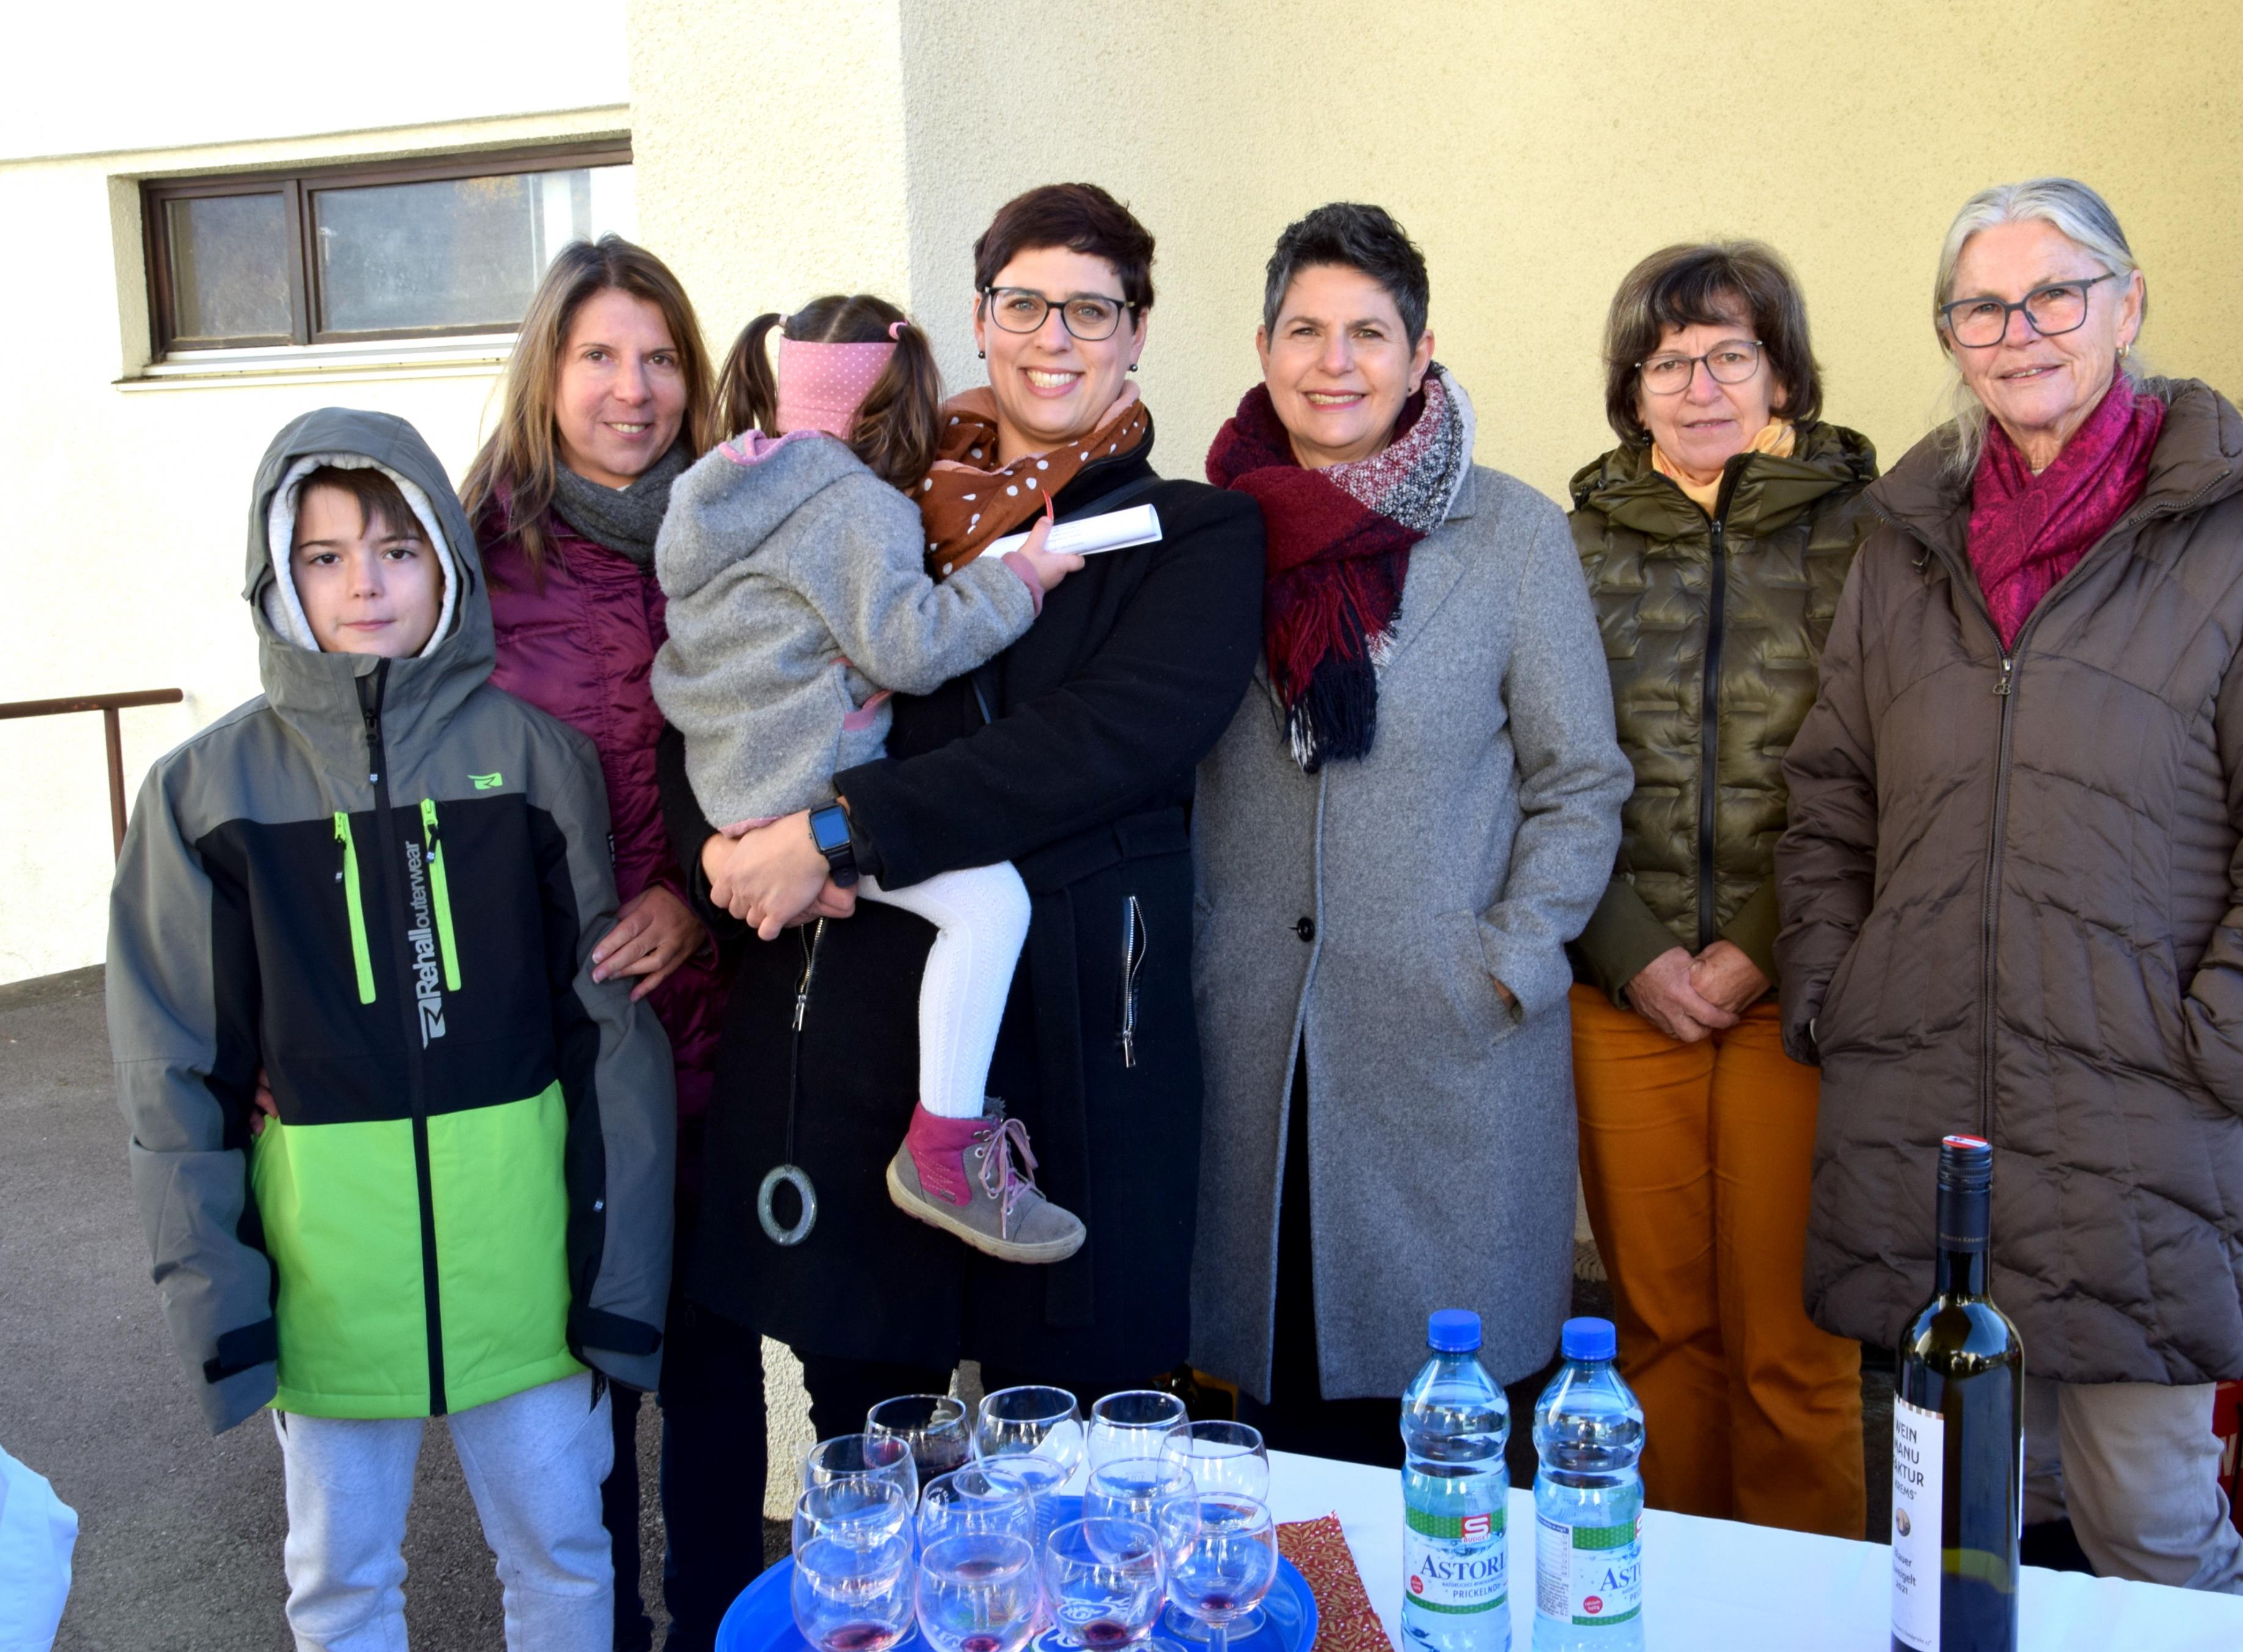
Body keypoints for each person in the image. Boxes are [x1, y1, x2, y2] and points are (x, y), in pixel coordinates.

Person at [656, 183, 1264, 1646]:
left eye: (1092, 308)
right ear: (979, 318)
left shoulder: (1191, 533)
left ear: (1136, 333)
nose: (1056, 336)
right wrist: (723, 848)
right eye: (1024, 303)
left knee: (1083, 1474)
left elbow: (1100, 743)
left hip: (1086, 1038)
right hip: (870, 1050)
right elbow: (732, 692)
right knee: (880, 1464)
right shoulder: (864, 503)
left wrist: (836, 830)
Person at [1778, 177, 2243, 1592]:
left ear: (2127, 304)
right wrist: (1832, 985)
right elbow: (1830, 791)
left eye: (2054, 292)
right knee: (1961, 1530)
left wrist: (2222, 1046)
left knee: (2147, 1523)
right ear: (1949, 335)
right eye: (1981, 307)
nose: (2020, 331)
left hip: (2143, 1118)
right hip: (1931, 1106)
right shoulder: (1905, 541)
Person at [107, 409, 677, 1650]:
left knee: (564, 1559)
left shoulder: (536, 759)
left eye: (397, 548)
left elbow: (607, 1039)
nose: (364, 582)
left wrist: (618, 1280)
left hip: (522, 1275)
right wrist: (219, 1302)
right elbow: (172, 1066)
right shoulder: (203, 792)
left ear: (446, 562)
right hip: (327, 1286)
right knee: (342, 1585)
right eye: (323, 555)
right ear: (279, 574)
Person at [1189, 203, 1632, 1462]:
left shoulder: (1511, 534)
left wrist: (1513, 956)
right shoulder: (1208, 536)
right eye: (1305, 331)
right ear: (1263, 347)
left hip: (1449, 1041)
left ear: (1420, 350)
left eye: (1368, 333)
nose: (1335, 363)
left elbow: (1579, 779)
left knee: (1448, 1441)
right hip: (1254, 1044)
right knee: (1275, 1436)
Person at [652, 291, 1088, 1260]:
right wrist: (1020, 580)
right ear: (899, 400)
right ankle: (944, 1151)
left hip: (729, 780)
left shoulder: (715, 488)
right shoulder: (858, 506)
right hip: (808, 781)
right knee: (992, 906)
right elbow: (910, 646)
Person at [1565, 241, 1876, 1537]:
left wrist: (1759, 944)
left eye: (1728, 355)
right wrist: (1629, 949)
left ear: (1781, 372)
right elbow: (1528, 764)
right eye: (1666, 362)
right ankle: (1667, 1600)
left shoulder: (1874, 537)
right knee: (1654, 1333)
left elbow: (1891, 765)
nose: (1698, 386)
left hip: (1800, 982)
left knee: (1794, 1345)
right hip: (1621, 984)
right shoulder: (1568, 544)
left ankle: (1801, 1614)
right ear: (1631, 390)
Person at [461, 234, 731, 1652]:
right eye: (600, 356)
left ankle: (721, 1623)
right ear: (546, 372)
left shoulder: (740, 528)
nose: (634, 388)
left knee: (714, 1360)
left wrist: (695, 894)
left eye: (660, 357)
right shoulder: (474, 555)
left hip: (727, 1005)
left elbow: (801, 737)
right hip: (561, 1031)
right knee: (586, 1377)